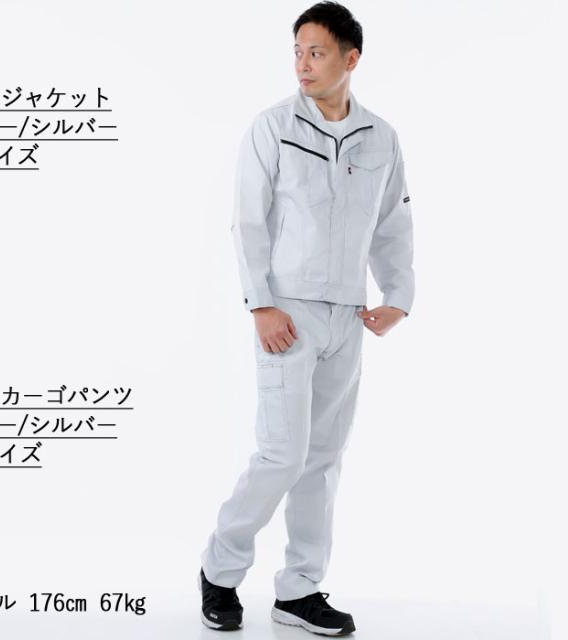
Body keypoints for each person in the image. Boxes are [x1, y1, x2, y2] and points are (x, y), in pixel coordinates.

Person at [198, 1, 415, 635]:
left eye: (316, 52)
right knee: (282, 455)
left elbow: (393, 220)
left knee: (323, 458)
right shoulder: (273, 127)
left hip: (348, 314)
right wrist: (261, 304)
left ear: (351, 58)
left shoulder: (381, 137)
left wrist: (398, 294)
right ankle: (220, 568)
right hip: (287, 314)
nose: (303, 64)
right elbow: (247, 219)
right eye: (297, 52)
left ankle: (299, 591)